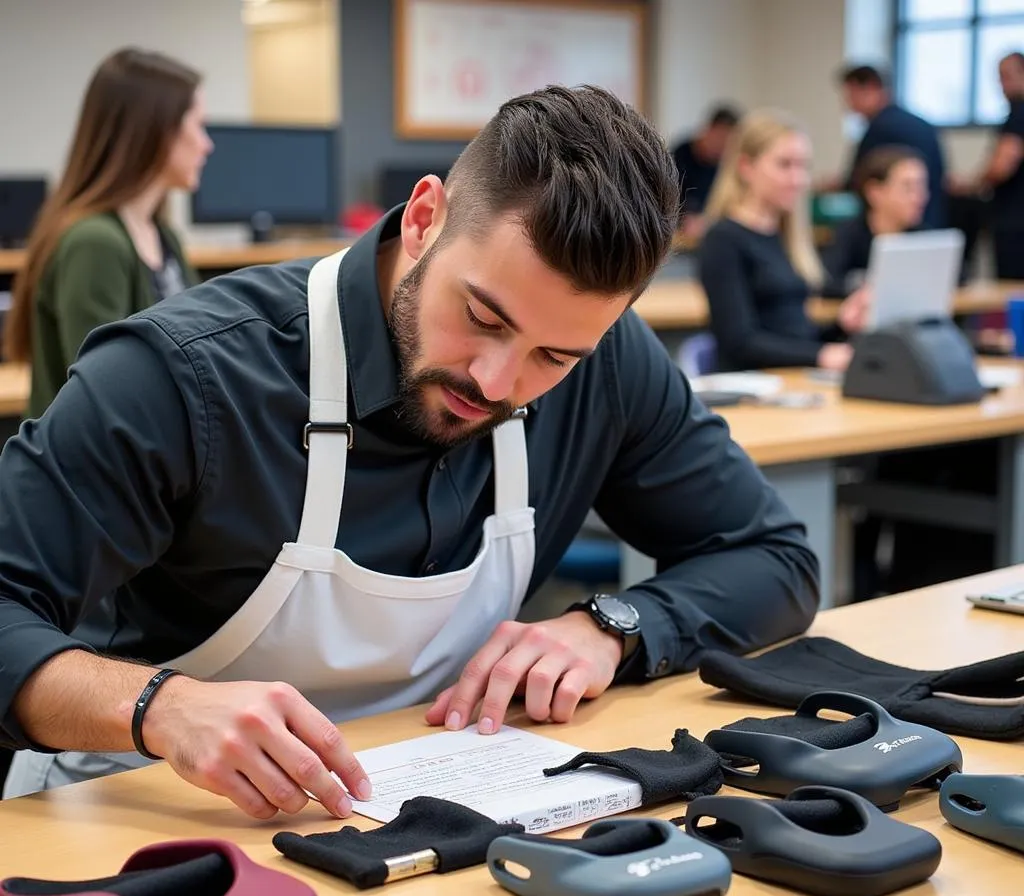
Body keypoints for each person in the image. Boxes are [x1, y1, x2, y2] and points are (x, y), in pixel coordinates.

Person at [0, 86, 819, 817]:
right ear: (425, 219)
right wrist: (160, 707)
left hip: (425, 814)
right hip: (142, 823)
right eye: (484, 318)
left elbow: (775, 558)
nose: (497, 383)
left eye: (553, 359)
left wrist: (616, 626)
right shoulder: (182, 376)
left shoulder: (610, 363)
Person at [3, 48, 211, 419]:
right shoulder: (94, 243)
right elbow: (109, 396)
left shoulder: (164, 237)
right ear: (155, 131)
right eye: (197, 126)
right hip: (91, 472)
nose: (206, 144)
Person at [699, 109, 869, 373]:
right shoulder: (723, 240)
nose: (799, 179)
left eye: (804, 166)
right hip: (751, 390)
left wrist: (841, 325)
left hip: (791, 382)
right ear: (746, 167)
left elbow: (794, 335)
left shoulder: (786, 237)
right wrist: (822, 355)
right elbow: (740, 342)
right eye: (785, 165)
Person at [833, 64, 946, 230]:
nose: (848, 104)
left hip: (897, 226)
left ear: (870, 89)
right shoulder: (923, 125)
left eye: (851, 95)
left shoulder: (879, 128)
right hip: (933, 219)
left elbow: (858, 179)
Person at [822, 145, 929, 298]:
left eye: (922, 186)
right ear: (875, 192)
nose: (919, 197)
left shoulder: (924, 237)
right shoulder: (848, 235)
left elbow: (958, 276)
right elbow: (826, 281)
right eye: (908, 187)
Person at [961, 51, 1024, 279]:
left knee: (1012, 292)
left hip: (1014, 222)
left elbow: (1003, 165)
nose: (1001, 84)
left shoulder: (1019, 112)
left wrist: (970, 185)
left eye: (1006, 76)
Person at [671, 105, 741, 238]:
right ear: (708, 130)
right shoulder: (679, 155)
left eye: (730, 142)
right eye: (722, 138)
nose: (724, 146)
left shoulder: (725, 166)